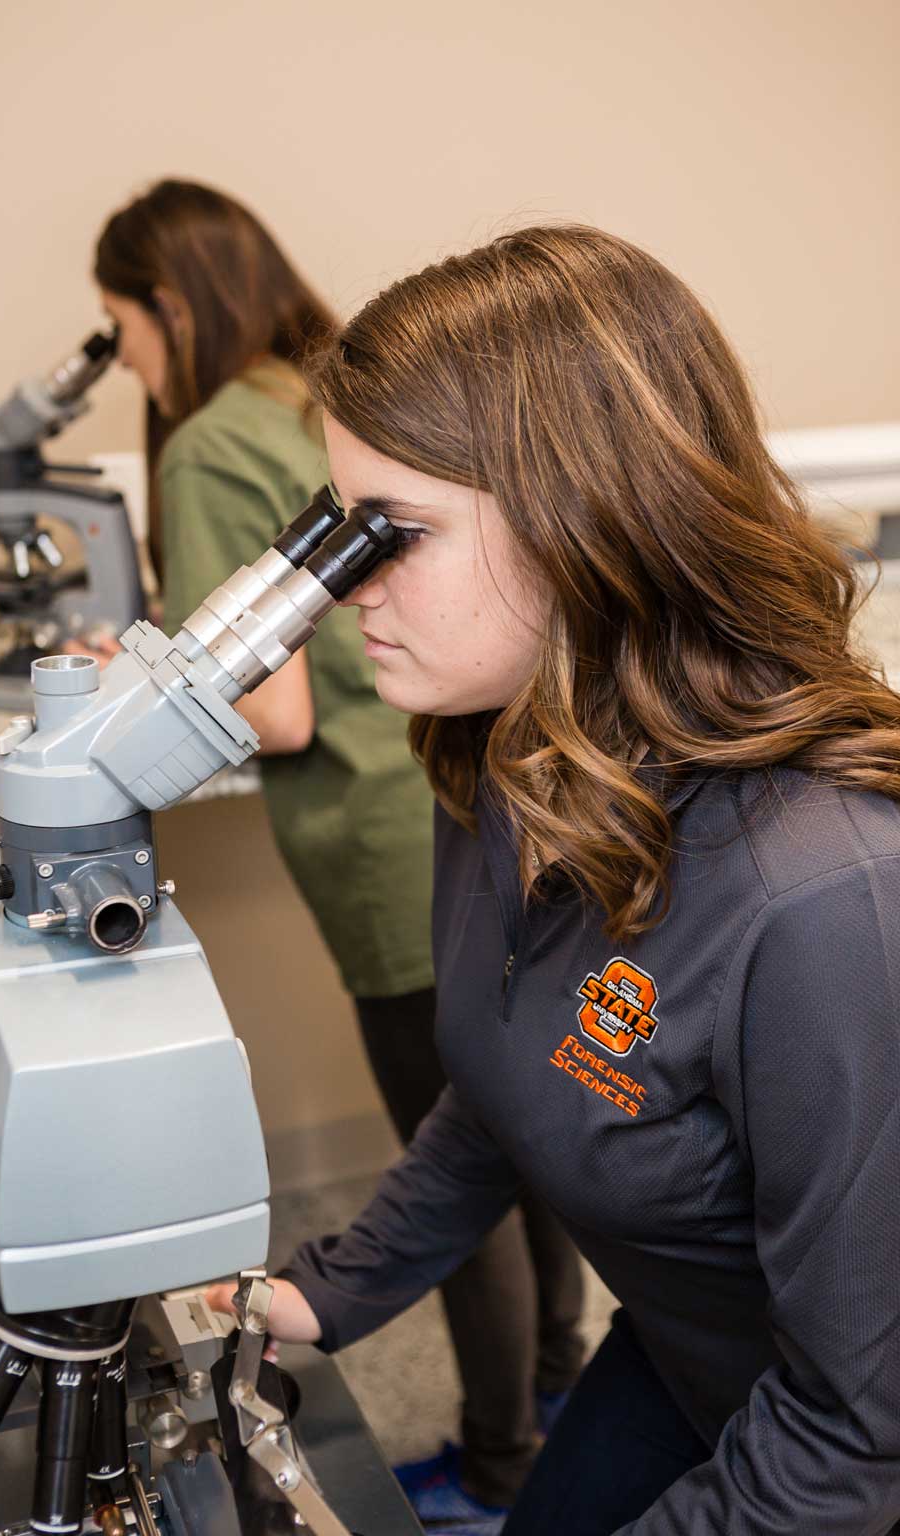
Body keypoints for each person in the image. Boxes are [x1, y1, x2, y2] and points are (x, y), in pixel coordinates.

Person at [206, 223, 900, 1536]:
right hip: (699, 1355)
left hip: (835, 1450)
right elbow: (512, 1086)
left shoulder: (825, 901)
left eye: (388, 535)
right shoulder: (500, 761)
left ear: (587, 521)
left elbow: (859, 1445)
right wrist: (328, 1293)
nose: (339, 590)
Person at [93, 182, 585, 1526]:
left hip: (374, 842)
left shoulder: (207, 442)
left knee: (464, 1132)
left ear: (170, 307)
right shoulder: (297, 398)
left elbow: (280, 704)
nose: (123, 362)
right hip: (440, 793)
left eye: (120, 330)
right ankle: (552, 1389)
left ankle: (501, 1462)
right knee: (526, 1113)